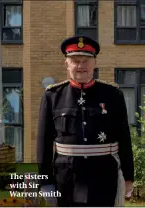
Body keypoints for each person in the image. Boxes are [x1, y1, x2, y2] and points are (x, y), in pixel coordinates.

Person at [36, 36, 134, 206]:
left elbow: (124, 138)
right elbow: (43, 144)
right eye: (75, 61)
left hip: (104, 177)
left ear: (95, 63)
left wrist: (128, 177)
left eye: (86, 60)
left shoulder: (113, 95)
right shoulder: (52, 96)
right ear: (66, 64)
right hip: (66, 179)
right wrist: (45, 182)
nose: (81, 66)